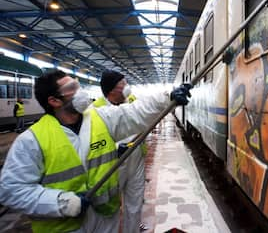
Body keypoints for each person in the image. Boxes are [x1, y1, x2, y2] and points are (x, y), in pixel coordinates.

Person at [0, 70, 192, 233]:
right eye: (71, 90)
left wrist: (167, 98)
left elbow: (134, 112)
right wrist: (61, 202)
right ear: (54, 101)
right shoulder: (31, 141)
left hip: (105, 218)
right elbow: (11, 191)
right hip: (65, 226)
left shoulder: (99, 118)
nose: (79, 92)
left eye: (77, 85)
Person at [93, 70, 147, 232]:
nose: (126, 87)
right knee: (111, 205)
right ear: (111, 90)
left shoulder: (131, 101)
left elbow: (144, 118)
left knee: (135, 202)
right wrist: (116, 148)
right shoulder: (96, 110)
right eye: (122, 84)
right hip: (114, 163)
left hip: (136, 158)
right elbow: (93, 140)